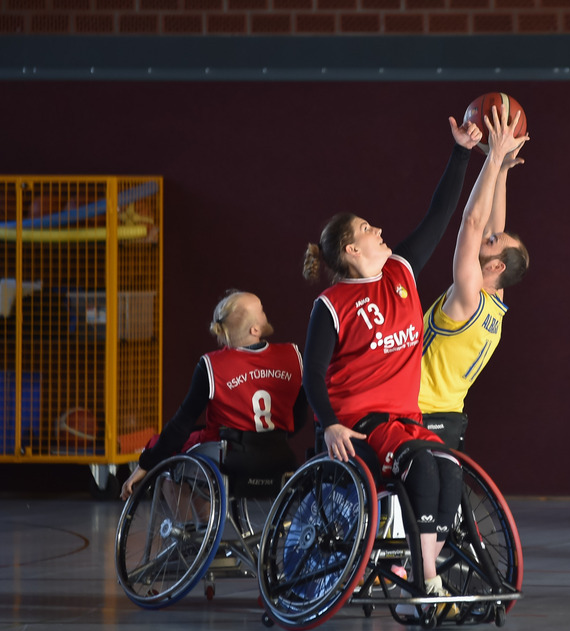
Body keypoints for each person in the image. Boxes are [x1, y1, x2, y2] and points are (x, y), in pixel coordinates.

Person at [300, 109, 526, 603]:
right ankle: (425, 578)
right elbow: (311, 371)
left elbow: (443, 216)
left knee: (446, 469)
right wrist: (330, 423)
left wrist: (462, 153)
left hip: (409, 415)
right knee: (427, 469)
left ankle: (424, 574)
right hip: (361, 424)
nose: (378, 228)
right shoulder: (332, 305)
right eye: (366, 227)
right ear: (350, 248)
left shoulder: (400, 274)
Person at [120, 290, 307, 500]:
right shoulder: (293, 356)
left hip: (229, 454)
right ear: (255, 329)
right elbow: (300, 418)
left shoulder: (212, 365)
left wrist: (146, 463)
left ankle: (195, 526)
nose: (266, 313)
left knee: (161, 445)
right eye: (262, 310)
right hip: (278, 453)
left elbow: (181, 425)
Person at [418, 124, 530, 451]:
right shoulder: (496, 299)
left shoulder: (469, 295)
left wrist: (494, 156)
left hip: (415, 410)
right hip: (450, 417)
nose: (487, 237)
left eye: (492, 243)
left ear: (496, 267)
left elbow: (472, 221)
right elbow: (495, 225)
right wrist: (503, 174)